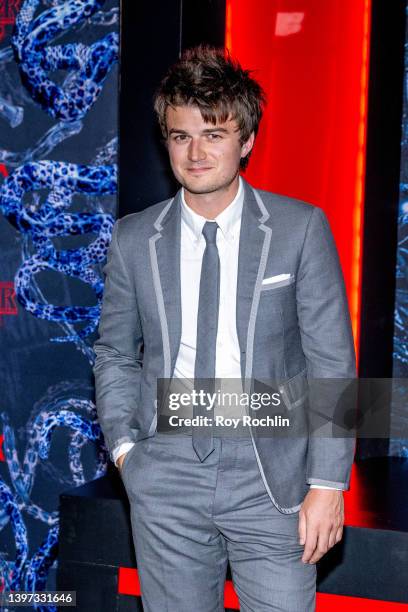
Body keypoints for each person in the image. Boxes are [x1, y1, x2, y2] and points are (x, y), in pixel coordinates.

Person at [93, 46, 356, 611]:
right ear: (166, 141)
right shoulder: (134, 239)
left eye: (213, 133)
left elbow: (332, 362)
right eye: (180, 135)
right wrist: (126, 453)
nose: (195, 151)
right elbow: (115, 353)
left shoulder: (299, 229)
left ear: (247, 140)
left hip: (275, 476)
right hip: (165, 471)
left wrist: (329, 484)